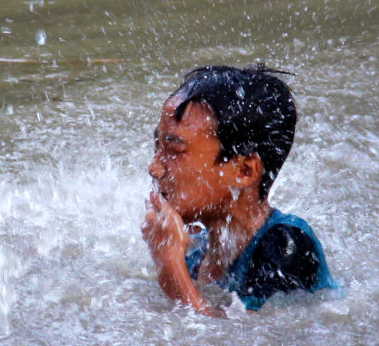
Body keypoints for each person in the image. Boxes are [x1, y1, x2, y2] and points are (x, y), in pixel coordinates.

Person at [141, 64, 337, 316]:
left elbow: (238, 344)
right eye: (157, 146)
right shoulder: (196, 249)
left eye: (175, 151)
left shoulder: (286, 246)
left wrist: (170, 267)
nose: (154, 168)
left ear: (244, 171)